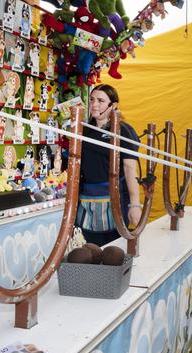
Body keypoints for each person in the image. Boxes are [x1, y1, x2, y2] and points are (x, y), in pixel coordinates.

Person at [76, 84, 142, 246]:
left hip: (116, 200)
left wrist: (135, 204)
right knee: (90, 250)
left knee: (114, 252)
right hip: (87, 202)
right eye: (91, 100)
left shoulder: (124, 131)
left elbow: (130, 168)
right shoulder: (84, 130)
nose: (94, 104)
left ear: (113, 105)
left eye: (101, 100)